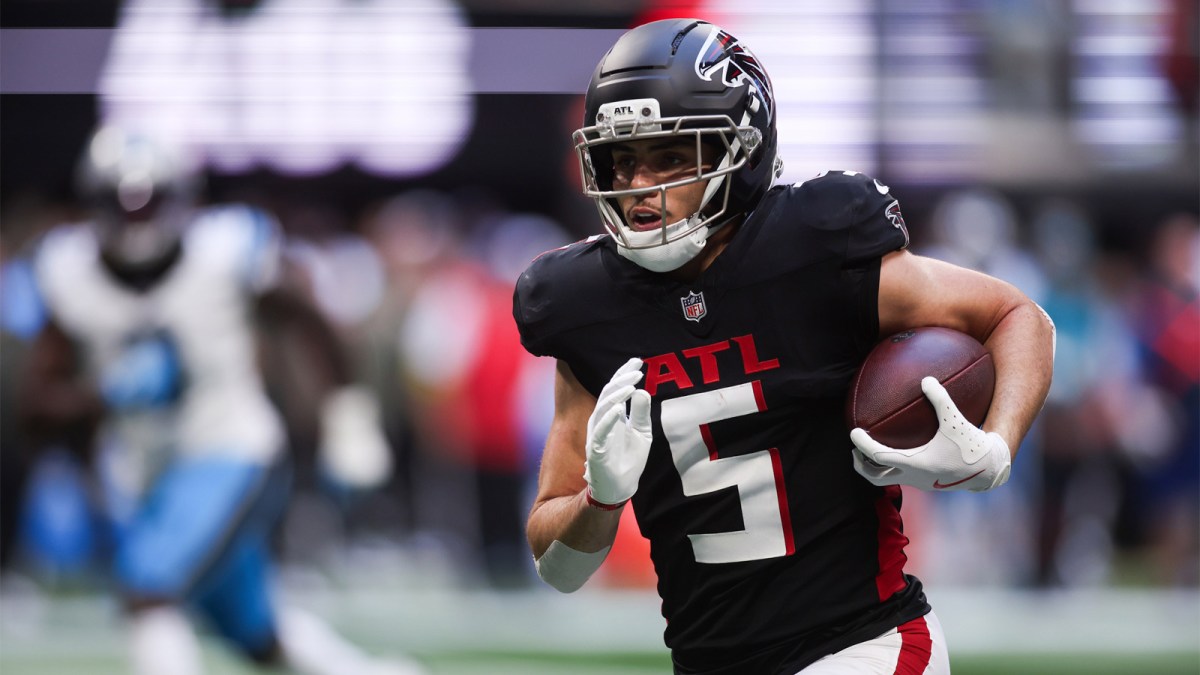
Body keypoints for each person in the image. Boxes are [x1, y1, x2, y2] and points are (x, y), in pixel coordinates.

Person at [512, 18, 1056, 675]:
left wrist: (996, 445)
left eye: (670, 156)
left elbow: (1017, 314)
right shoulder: (583, 304)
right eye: (623, 160)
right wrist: (598, 500)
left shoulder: (813, 248)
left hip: (862, 644)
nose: (639, 187)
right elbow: (562, 568)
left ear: (736, 149)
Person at [18, 125, 422, 675]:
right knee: (253, 630)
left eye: (151, 203)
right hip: (146, 475)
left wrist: (348, 414)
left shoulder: (223, 251)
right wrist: (99, 396)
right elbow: (36, 402)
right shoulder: (68, 273)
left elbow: (309, 318)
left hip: (232, 446)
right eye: (123, 205)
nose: (138, 219)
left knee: (148, 584)